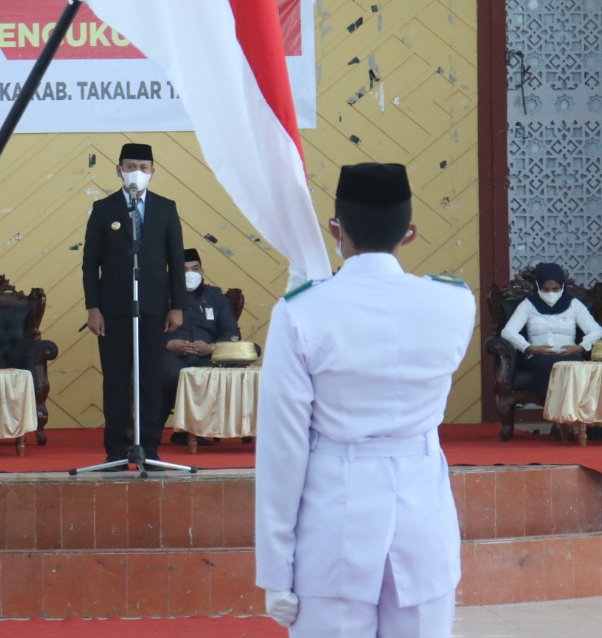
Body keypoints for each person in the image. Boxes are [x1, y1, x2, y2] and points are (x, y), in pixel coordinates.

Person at [255, 162, 475, 637]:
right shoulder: (455, 302)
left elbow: (282, 448)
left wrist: (276, 568)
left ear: (336, 230)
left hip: (336, 515)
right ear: (410, 233)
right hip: (423, 514)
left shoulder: (301, 311)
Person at [82, 142, 187, 466]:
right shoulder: (104, 209)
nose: (136, 173)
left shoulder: (166, 209)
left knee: (150, 380)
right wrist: (93, 307)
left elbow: (175, 260)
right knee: (115, 379)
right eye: (130, 167)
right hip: (113, 310)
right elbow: (90, 263)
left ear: (152, 172)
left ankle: (150, 451)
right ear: (118, 170)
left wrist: (177, 305)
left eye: (143, 167)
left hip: (154, 308)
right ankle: (115, 451)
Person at [163, 247, 242, 445]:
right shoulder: (161, 295)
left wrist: (211, 347)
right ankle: (153, 432)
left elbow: (232, 333)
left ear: (202, 272)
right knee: (172, 375)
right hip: (172, 354)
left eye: (195, 269)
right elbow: (146, 331)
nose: (190, 274)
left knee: (210, 376)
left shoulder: (215, 296)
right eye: (184, 270)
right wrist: (169, 344)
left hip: (206, 355)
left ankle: (197, 430)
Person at [500, 262, 602, 396]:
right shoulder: (528, 305)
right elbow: (508, 332)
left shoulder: (573, 304)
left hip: (569, 355)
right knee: (548, 366)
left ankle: (573, 413)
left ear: (562, 286)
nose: (551, 293)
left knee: (576, 367)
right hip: (540, 357)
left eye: (556, 289)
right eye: (546, 289)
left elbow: (597, 331)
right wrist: (529, 348)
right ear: (538, 286)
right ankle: (554, 412)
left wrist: (581, 347)